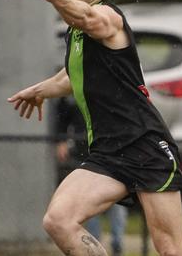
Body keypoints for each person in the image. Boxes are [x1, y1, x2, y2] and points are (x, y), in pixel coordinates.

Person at [8, 0, 182, 256]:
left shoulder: (108, 17)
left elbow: (88, 19)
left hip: (144, 145)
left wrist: (59, 0)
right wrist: (41, 90)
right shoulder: (75, 32)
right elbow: (71, 75)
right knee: (59, 220)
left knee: (170, 248)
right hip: (108, 152)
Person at [54, 96, 128, 256]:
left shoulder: (114, 88)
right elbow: (62, 114)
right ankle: (96, 243)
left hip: (115, 155)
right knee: (87, 206)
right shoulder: (75, 88)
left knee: (117, 203)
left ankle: (117, 243)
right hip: (87, 154)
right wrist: (61, 140)